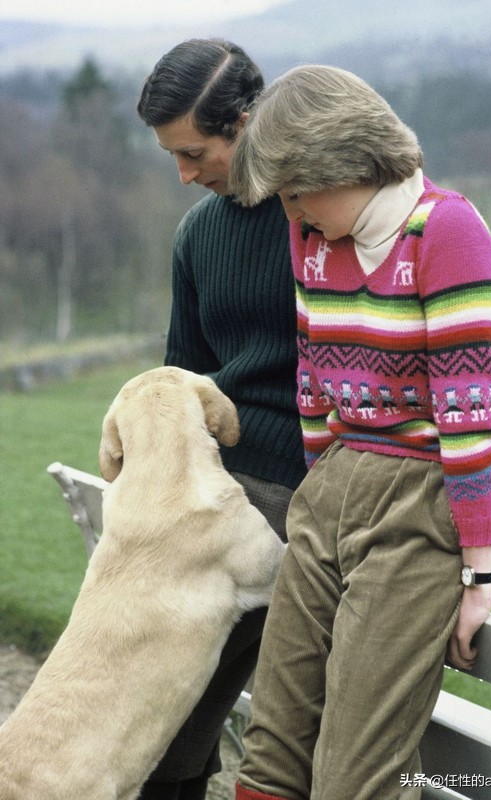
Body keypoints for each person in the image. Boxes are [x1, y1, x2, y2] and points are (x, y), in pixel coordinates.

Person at [229, 65, 491, 800]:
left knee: (349, 777)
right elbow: (313, 376)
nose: (289, 211)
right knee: (272, 748)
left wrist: (478, 574)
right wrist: (318, 487)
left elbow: (465, 418)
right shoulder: (312, 239)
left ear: (341, 161)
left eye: (295, 190)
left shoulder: (446, 232)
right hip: (328, 491)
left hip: (416, 503)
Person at [136, 40, 306, 800]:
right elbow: (184, 375)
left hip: (301, 490)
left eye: (194, 151)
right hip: (219, 489)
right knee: (157, 699)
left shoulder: (319, 213)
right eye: (172, 155)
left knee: (169, 694)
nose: (184, 175)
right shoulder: (197, 235)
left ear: (243, 123)